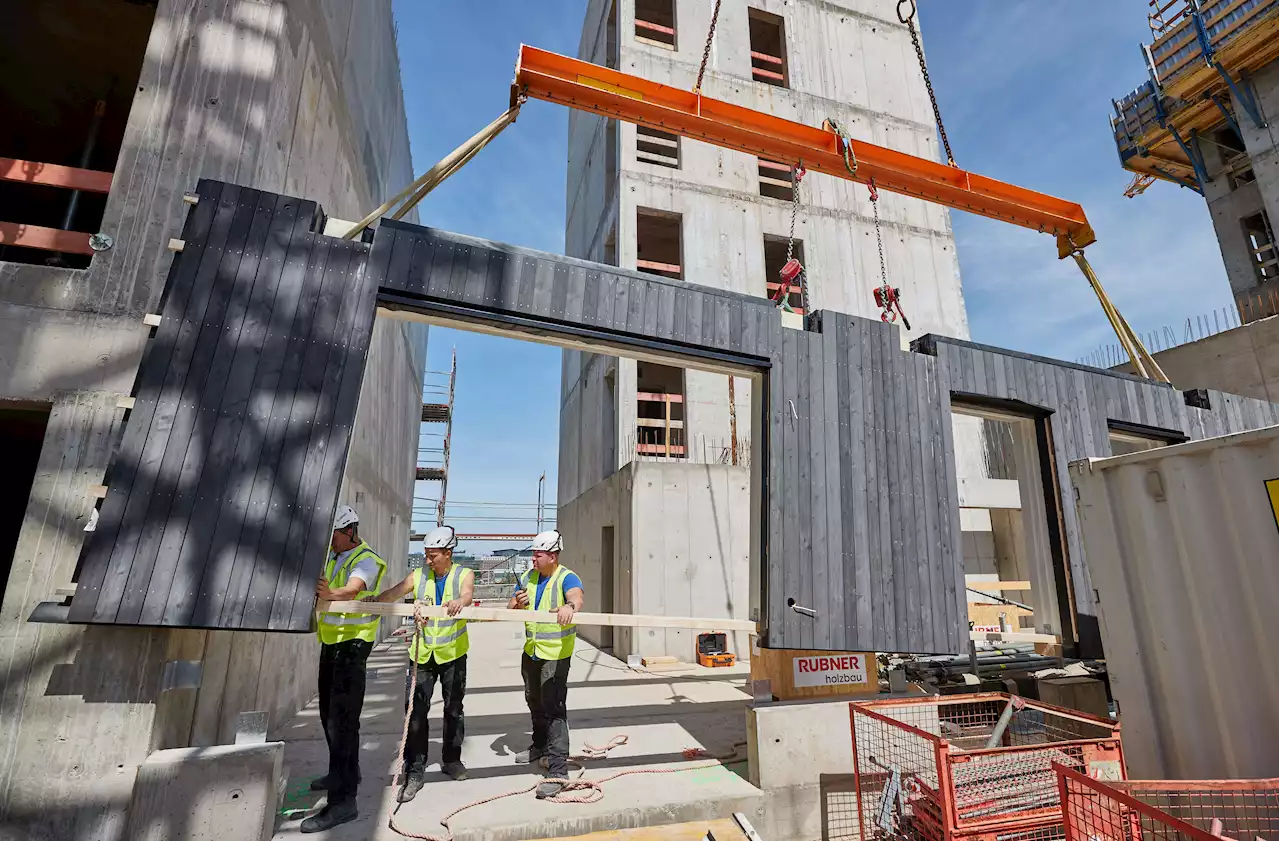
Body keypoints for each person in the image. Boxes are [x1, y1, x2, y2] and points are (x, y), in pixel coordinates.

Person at [372, 524, 474, 801]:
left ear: (448, 553)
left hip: (453, 654)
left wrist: (459, 601)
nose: (428, 560)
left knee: (454, 709)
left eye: (433, 556)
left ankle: (452, 760)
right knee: (416, 712)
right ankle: (414, 770)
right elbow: (394, 593)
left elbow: (467, 594)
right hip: (422, 655)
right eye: (426, 555)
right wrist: (374, 604)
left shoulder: (464, 574)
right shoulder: (419, 575)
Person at [305, 505, 386, 833]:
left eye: (335, 535)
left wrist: (330, 594)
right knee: (329, 717)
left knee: (343, 723)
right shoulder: (333, 556)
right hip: (332, 644)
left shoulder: (365, 559)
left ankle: (343, 801)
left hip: (352, 647)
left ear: (349, 531)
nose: (331, 542)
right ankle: (342, 772)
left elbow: (353, 589)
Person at [508, 529, 585, 799]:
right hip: (532, 651)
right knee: (533, 701)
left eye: (537, 555)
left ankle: (558, 771)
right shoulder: (529, 578)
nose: (533, 559)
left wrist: (570, 607)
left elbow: (576, 597)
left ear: (552, 555)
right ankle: (538, 746)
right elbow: (510, 609)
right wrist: (517, 602)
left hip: (555, 654)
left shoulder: (566, 577)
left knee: (554, 710)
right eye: (533, 554)